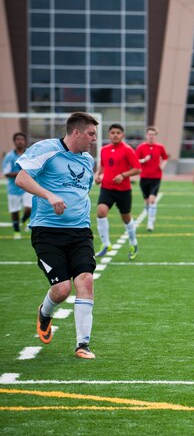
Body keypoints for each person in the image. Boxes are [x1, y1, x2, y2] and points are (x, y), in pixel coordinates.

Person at [15, 112, 99, 359]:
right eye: (91, 134)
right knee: (62, 290)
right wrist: (49, 195)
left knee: (85, 280)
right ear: (76, 132)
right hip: (48, 232)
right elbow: (21, 178)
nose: (94, 139)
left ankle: (82, 345)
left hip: (80, 232)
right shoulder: (47, 149)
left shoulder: (87, 160)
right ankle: (45, 312)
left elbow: (81, 191)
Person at [94, 124, 141, 260]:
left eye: (118, 133)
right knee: (101, 212)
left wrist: (123, 175)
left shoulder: (128, 150)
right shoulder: (104, 149)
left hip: (123, 190)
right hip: (107, 188)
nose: (115, 135)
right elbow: (103, 165)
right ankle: (106, 244)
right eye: (113, 132)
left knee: (126, 218)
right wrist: (98, 175)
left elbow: (137, 169)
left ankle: (133, 243)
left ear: (123, 135)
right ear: (109, 135)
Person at [135, 126, 169, 231]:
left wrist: (163, 165)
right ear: (146, 135)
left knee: (152, 200)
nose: (151, 136)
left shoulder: (160, 147)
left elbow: (165, 157)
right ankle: (151, 216)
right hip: (144, 177)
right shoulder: (141, 147)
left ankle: (150, 222)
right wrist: (144, 160)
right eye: (149, 134)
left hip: (156, 177)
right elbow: (135, 160)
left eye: (153, 135)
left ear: (155, 136)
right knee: (146, 201)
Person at [3, 132, 32, 239]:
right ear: (14, 141)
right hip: (14, 188)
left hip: (28, 186)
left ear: (25, 141)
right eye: (17, 139)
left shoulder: (30, 154)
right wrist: (22, 172)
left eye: (22, 139)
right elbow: (6, 173)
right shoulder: (9, 156)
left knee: (29, 209)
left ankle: (24, 220)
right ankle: (16, 231)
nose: (20, 141)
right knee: (14, 211)